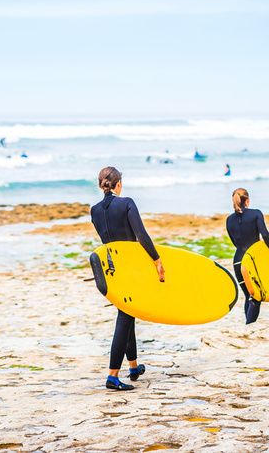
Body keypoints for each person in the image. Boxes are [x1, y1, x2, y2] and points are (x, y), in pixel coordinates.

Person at [90, 167, 165, 391]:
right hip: (130, 269)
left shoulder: (94, 211)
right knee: (125, 317)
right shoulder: (127, 203)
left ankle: (133, 368)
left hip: (111, 270)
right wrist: (157, 260)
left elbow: (107, 240)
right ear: (118, 183)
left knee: (128, 314)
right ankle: (113, 376)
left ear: (101, 184)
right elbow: (141, 235)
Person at [225, 188, 269, 324]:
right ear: (247, 200)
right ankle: (248, 327)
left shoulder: (229, 220)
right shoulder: (256, 214)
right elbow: (265, 235)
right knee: (256, 296)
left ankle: (248, 326)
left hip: (238, 261)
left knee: (248, 295)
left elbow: (234, 241)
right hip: (252, 260)